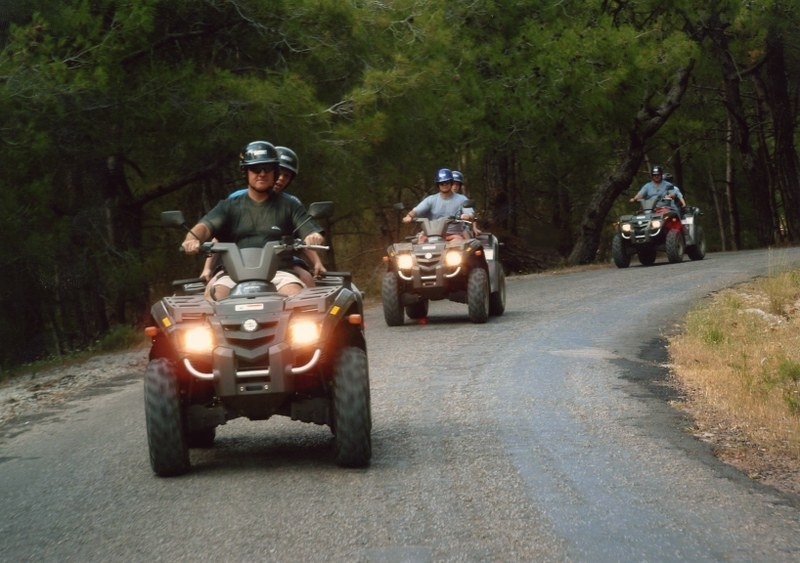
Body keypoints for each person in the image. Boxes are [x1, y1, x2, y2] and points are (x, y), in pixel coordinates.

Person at [182, 140, 325, 300]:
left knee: (297, 298)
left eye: (268, 168)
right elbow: (205, 227)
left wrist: (313, 236)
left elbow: (307, 230)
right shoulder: (228, 206)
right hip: (232, 274)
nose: (262, 173)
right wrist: (192, 238)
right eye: (256, 168)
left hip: (281, 273)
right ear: (246, 172)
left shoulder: (290, 204)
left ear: (275, 172)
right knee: (213, 298)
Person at [402, 168, 474, 240]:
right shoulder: (431, 199)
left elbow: (470, 214)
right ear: (438, 184)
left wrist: (467, 216)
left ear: (451, 182)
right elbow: (416, 211)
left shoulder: (462, 199)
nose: (444, 185)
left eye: (447, 182)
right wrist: (409, 216)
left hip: (454, 234)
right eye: (441, 183)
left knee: (459, 242)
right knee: (420, 241)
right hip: (432, 235)